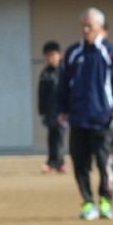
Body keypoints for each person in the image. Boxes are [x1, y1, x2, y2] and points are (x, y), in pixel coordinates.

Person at [57, 7, 113, 221]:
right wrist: (62, 109)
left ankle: (105, 200)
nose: (86, 30)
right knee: (80, 164)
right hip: (78, 119)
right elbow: (63, 85)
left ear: (100, 27)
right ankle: (88, 202)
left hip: (103, 120)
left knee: (104, 163)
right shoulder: (72, 53)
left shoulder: (111, 52)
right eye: (83, 26)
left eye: (90, 26)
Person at [38, 41, 67, 174]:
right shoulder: (45, 74)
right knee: (51, 137)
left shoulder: (65, 72)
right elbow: (41, 95)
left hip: (62, 111)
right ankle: (51, 162)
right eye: (48, 56)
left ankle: (60, 163)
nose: (51, 58)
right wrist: (42, 112)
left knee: (60, 136)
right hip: (50, 111)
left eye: (53, 55)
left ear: (60, 55)